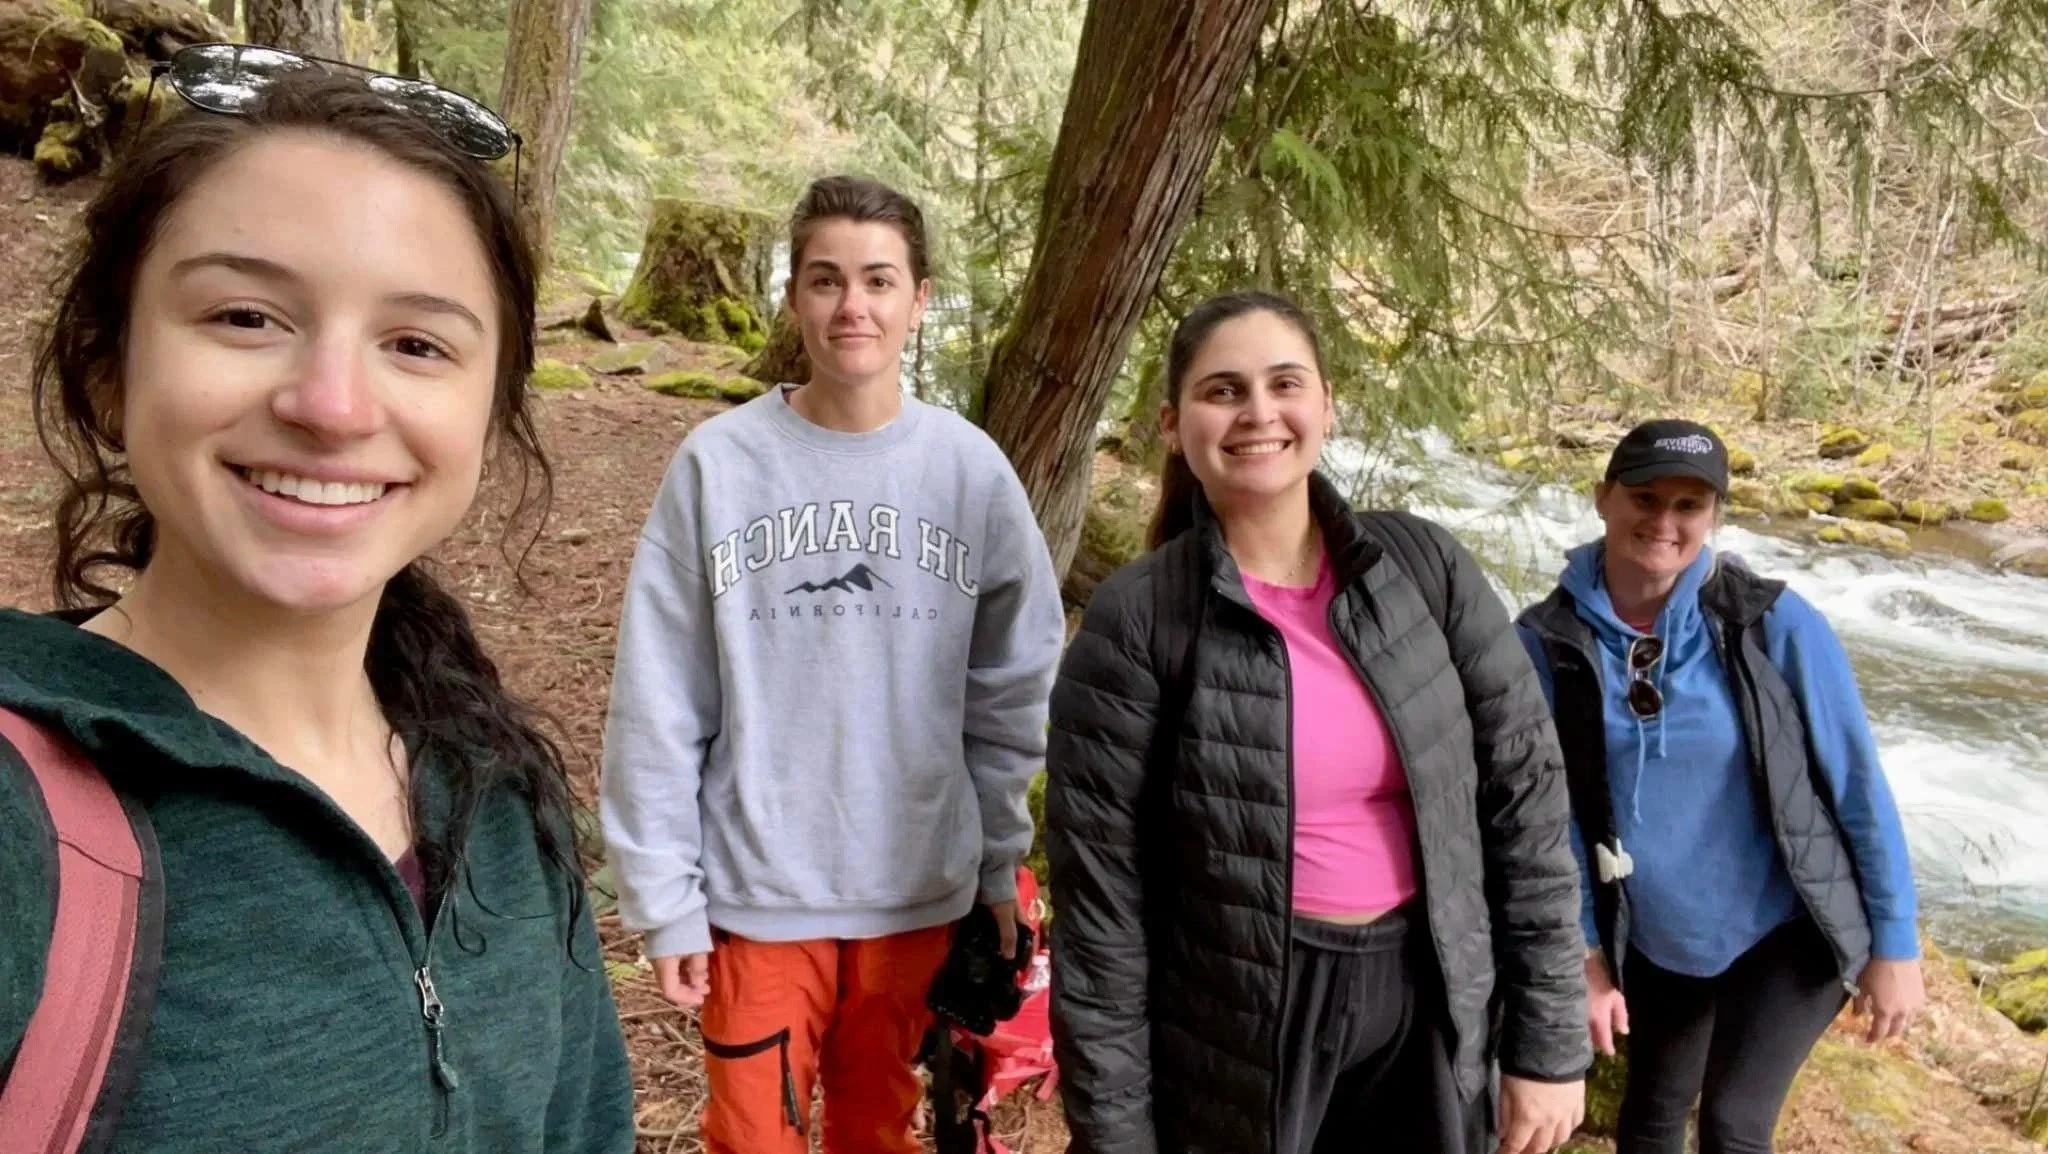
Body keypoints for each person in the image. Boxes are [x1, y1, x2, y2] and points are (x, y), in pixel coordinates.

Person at [0, 56, 633, 1152]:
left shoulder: (492, 796)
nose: (333, 406)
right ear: (108, 369)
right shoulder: (23, 825)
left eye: (416, 344)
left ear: (488, 415)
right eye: (246, 316)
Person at [1045, 290, 1591, 1154]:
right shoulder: (1141, 618)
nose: (1258, 412)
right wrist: (1116, 1136)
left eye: (1284, 383)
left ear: (1326, 407)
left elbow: (1524, 797)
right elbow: (1102, 905)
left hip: (1430, 993)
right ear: (1172, 425)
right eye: (1223, 390)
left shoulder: (1422, 569)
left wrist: (1549, 1043)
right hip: (1238, 1026)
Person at [599, 174, 1065, 1154]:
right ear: (792, 297)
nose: (853, 305)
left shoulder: (969, 471)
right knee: (750, 1139)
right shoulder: (718, 466)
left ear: (918, 299)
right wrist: (665, 897)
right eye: (826, 279)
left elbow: (1011, 686)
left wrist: (996, 863)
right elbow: (659, 694)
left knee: (878, 1133)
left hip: (915, 892)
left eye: (878, 280)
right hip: (758, 895)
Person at [1515, 419, 1926, 1154]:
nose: (1664, 523)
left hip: (1788, 925)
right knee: (1650, 1117)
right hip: (1656, 934)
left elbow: (1857, 783)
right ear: (1604, 498)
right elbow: (1553, 818)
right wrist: (1584, 955)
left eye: (1689, 506)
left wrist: (1895, 946)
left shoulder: (1769, 623)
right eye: (1645, 499)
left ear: (1713, 516)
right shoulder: (1547, 642)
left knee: (1734, 1123)